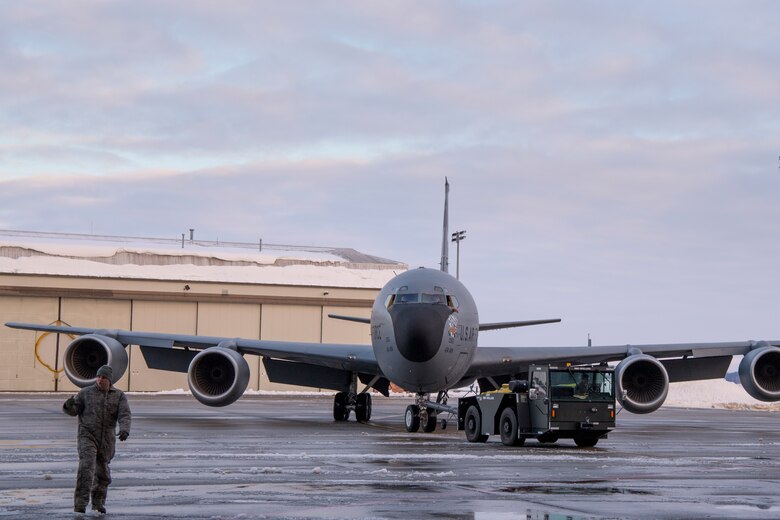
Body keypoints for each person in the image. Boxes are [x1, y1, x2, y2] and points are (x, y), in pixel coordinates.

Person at [63, 365, 131, 514]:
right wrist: (68, 406)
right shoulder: (85, 393)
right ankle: (80, 505)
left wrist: (125, 429)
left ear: (109, 380)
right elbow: (74, 410)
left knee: (103, 475)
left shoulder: (118, 395)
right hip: (87, 436)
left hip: (106, 440)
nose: (100, 379)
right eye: (98, 376)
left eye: (103, 377)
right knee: (86, 469)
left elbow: (124, 414)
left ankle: (98, 504)